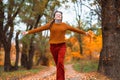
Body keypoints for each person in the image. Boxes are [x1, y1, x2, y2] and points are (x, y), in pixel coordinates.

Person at [23, 11, 90, 80]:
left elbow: (75, 29)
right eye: (57, 15)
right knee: (58, 65)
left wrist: (85, 33)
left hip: (62, 46)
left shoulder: (64, 25)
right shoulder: (50, 25)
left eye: (60, 15)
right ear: (54, 16)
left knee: (60, 63)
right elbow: (40, 29)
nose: (58, 16)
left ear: (61, 17)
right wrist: (28, 32)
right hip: (53, 47)